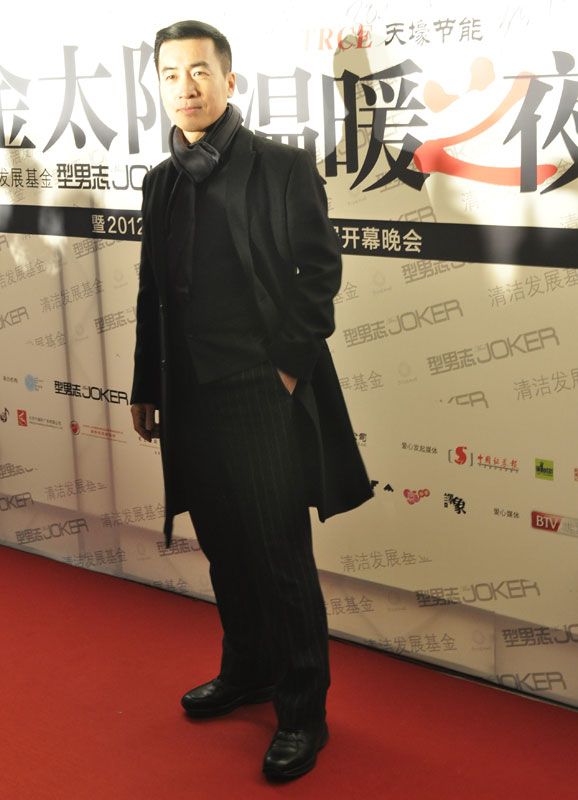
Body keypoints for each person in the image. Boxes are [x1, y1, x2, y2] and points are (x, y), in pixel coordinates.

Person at [130, 19, 373, 781]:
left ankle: (304, 710)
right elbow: (152, 295)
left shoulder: (280, 165)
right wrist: (146, 385)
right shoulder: (162, 180)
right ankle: (249, 673)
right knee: (226, 551)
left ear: (229, 81)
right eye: (171, 75)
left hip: (262, 397)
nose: (186, 87)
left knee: (279, 558)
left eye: (200, 72)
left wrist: (288, 373)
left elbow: (318, 275)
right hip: (191, 400)